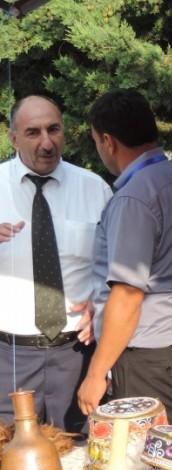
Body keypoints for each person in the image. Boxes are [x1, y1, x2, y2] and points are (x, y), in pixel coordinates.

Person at [76, 89, 172, 428]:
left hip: (151, 357)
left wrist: (96, 374)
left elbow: (128, 293)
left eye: (95, 141)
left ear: (108, 141)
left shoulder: (134, 196)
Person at [0, 95, 112, 434]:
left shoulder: (94, 188)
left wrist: (100, 305)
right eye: (33, 132)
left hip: (76, 354)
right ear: (13, 138)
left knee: (82, 456)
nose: (46, 143)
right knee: (10, 462)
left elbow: (117, 268)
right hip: (9, 357)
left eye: (54, 130)